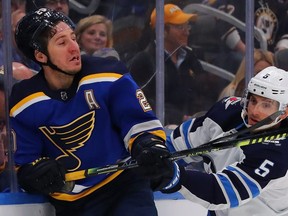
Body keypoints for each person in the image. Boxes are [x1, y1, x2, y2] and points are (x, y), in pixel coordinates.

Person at [9, 8, 177, 215]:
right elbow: (25, 160)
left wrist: (148, 144)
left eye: (73, 38)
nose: (74, 48)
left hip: (124, 185)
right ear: (40, 55)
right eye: (62, 43)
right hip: (72, 202)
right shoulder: (24, 100)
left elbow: (138, 123)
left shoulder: (108, 73)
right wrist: (35, 171)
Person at [163, 66, 288, 215]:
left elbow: (221, 192)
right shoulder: (227, 112)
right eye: (253, 100)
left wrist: (175, 176)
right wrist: (156, 153)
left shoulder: (279, 153)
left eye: (266, 104)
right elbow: (176, 145)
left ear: (284, 112)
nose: (254, 111)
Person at [129, 4, 205, 125]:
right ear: (162, 31)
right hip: (162, 129)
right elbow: (141, 101)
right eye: (180, 27)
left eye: (187, 26)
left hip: (193, 129)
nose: (186, 32)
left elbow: (203, 92)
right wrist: (180, 118)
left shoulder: (190, 57)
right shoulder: (144, 60)